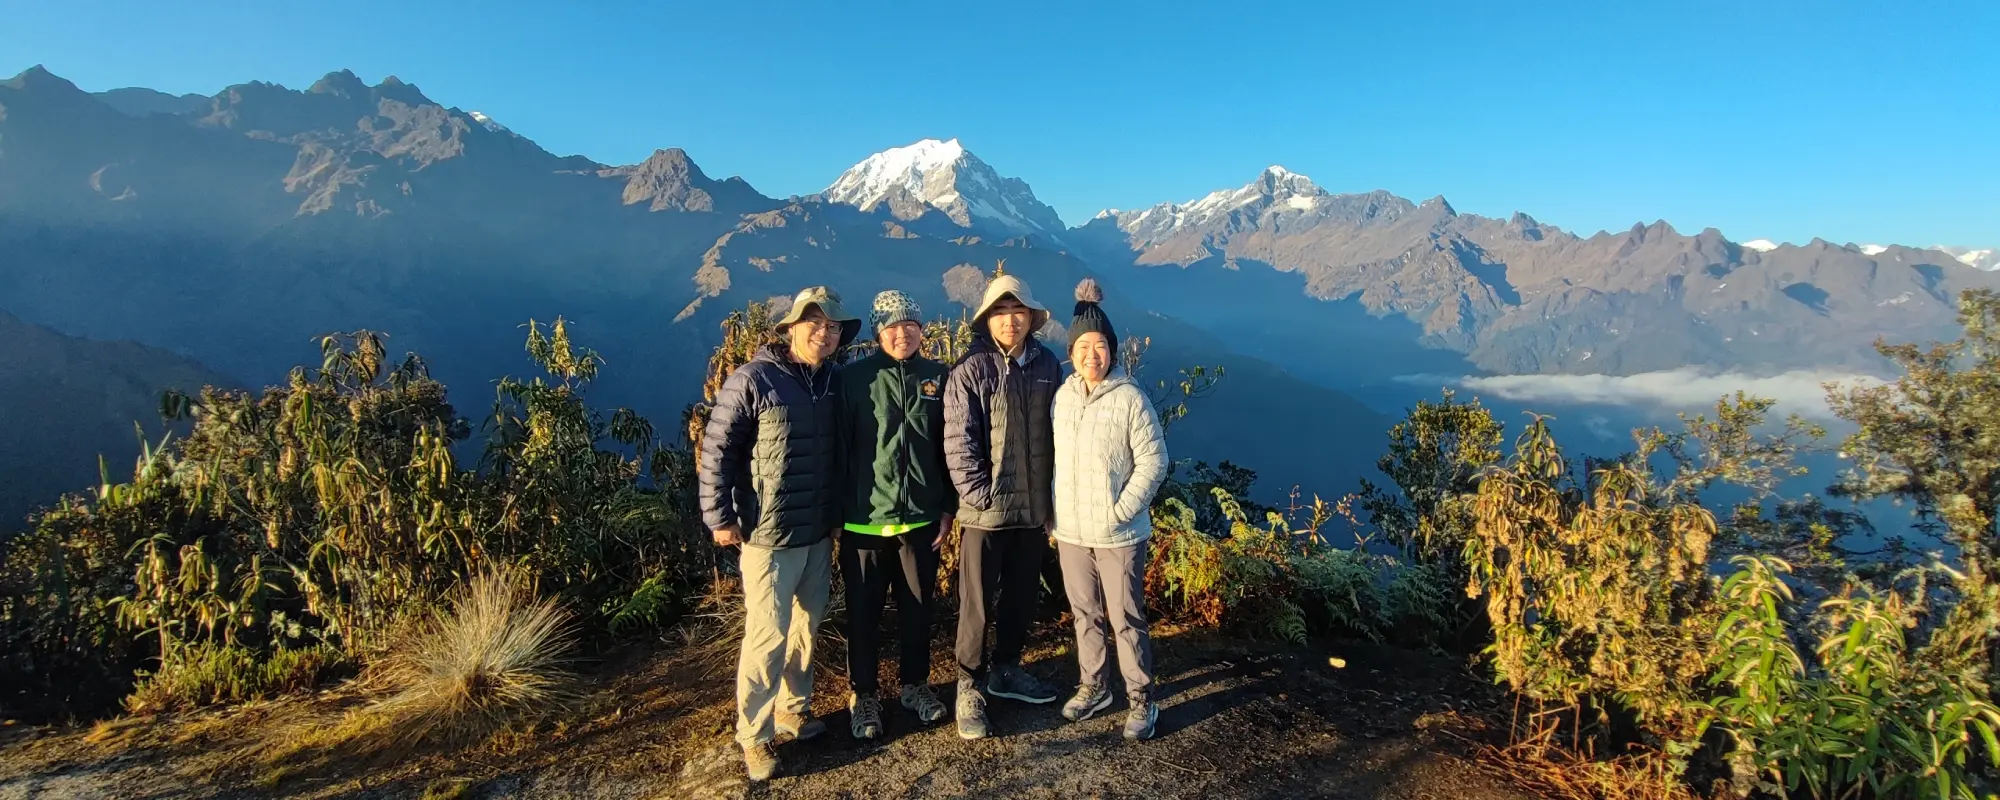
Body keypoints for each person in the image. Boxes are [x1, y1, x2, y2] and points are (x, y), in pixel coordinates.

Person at [699, 286, 859, 781]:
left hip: (815, 532)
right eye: (814, 322)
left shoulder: (833, 382)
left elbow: (837, 458)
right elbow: (717, 450)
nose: (824, 332)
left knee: (806, 627)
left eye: (833, 326)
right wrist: (718, 516)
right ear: (791, 328)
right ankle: (754, 733)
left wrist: (835, 516)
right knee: (768, 634)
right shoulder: (753, 380)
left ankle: (794, 708)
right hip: (767, 535)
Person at [943, 269, 1063, 740]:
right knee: (976, 604)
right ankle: (968, 684)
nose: (1010, 320)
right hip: (986, 515)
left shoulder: (1048, 365)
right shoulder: (971, 369)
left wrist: (1051, 500)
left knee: (1020, 596)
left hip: (1032, 511)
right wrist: (980, 497)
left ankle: (1007, 668)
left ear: (1031, 319)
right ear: (987, 320)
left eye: (1018, 312)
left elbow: (1059, 433)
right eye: (1000, 312)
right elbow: (959, 442)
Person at [1050, 278, 1170, 740]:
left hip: (1119, 534)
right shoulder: (1062, 398)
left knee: (1126, 618)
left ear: (1112, 350)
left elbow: (1155, 460)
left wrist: (1122, 510)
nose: (1091, 355)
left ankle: (1141, 699)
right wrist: (1055, 513)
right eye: (1082, 346)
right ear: (1071, 351)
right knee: (1084, 613)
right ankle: (1094, 686)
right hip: (1073, 532)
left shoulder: (1130, 398)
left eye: (1099, 346)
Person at [835, 290, 954, 740]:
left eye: (909, 325)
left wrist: (947, 506)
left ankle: (914, 685)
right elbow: (839, 450)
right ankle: (864, 694)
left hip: (920, 520)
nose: (901, 333)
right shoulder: (853, 380)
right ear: (877, 331)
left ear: (921, 329)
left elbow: (947, 447)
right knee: (863, 614)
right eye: (891, 326)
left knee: (918, 611)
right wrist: (836, 514)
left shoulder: (937, 378)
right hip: (864, 520)